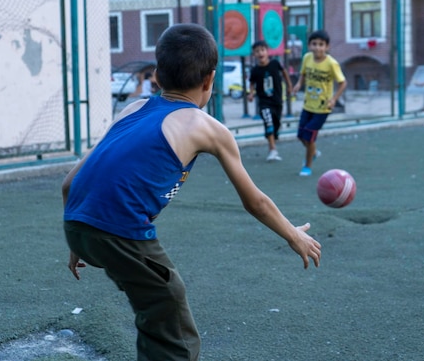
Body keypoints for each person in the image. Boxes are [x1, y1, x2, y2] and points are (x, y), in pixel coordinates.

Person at [62, 24, 321, 361]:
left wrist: (77, 242)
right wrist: (293, 236)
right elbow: (254, 200)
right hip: (120, 232)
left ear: (156, 76)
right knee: (169, 309)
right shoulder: (207, 128)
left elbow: (70, 182)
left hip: (76, 224)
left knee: (158, 303)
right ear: (210, 81)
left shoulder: (132, 109)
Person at [291, 30, 347, 177]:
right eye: (314, 44)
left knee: (309, 136)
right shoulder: (307, 58)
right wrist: (298, 84)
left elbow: (342, 83)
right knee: (301, 136)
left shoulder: (331, 63)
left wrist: (334, 99)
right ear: (309, 45)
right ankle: (313, 152)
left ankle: (307, 165)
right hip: (308, 105)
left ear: (327, 47)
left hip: (322, 108)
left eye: (321, 45)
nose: (317, 47)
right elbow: (303, 73)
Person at [248, 40, 293, 162]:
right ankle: (273, 150)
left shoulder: (275, 64)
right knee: (268, 122)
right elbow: (252, 83)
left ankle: (273, 140)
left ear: (267, 52)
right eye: (257, 51)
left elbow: (284, 73)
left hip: (277, 101)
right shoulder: (255, 70)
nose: (260, 53)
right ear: (254, 54)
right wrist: (251, 93)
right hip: (264, 102)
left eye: (262, 50)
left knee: (275, 124)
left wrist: (289, 86)